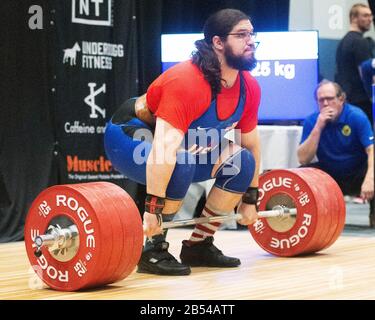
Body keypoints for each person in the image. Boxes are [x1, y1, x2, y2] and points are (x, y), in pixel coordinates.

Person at [104, 9, 262, 275]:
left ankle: (198, 246)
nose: (250, 41)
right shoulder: (187, 82)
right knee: (181, 160)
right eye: (242, 35)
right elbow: (164, 149)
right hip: (128, 136)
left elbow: (252, 145)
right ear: (218, 42)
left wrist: (251, 198)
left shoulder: (249, 87)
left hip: (178, 141)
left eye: (252, 35)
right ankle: (153, 249)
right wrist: (152, 210)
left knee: (241, 161)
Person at [297, 80, 374, 228]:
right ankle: (307, 225)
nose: (326, 104)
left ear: (341, 99)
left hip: (357, 173)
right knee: (300, 174)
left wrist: (370, 179)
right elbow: (303, 158)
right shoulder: (312, 121)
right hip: (330, 175)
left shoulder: (356, 116)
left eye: (330, 99)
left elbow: (371, 149)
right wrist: (318, 127)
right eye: (321, 100)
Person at [335, 3, 374, 123]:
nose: (370, 19)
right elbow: (365, 72)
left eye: (371, 16)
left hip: (346, 101)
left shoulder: (343, 42)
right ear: (353, 18)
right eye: (365, 16)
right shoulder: (360, 42)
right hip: (361, 103)